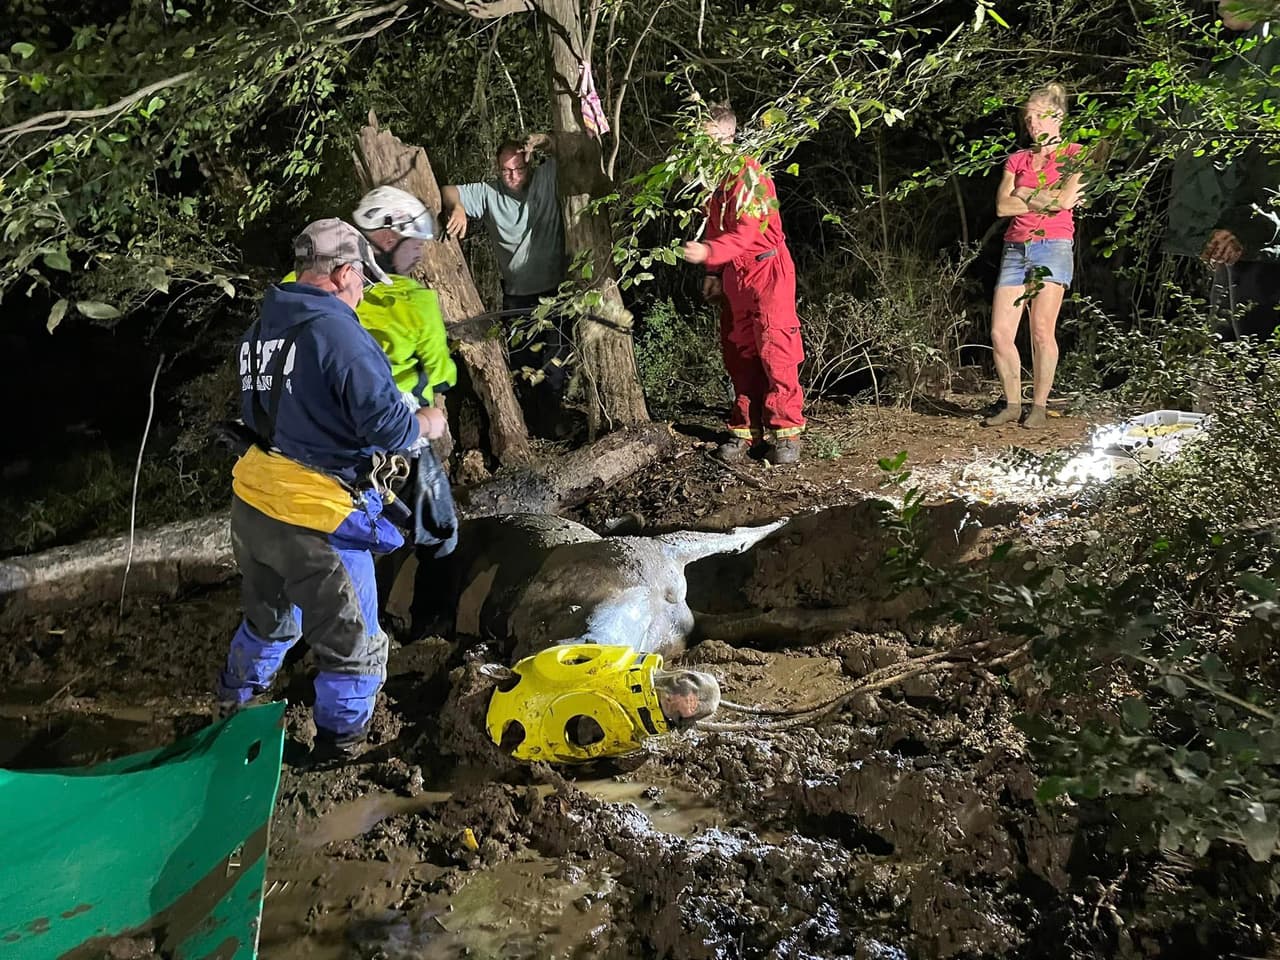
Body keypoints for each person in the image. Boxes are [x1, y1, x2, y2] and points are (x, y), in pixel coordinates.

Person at [216, 219, 448, 765]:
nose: (364, 290)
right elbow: (392, 430)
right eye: (362, 280)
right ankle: (337, 749)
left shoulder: (264, 330)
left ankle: (231, 710)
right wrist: (429, 421)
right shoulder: (339, 331)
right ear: (344, 272)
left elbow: (281, 411)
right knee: (355, 644)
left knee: (271, 621)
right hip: (316, 517)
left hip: (254, 502)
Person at [680, 103, 807, 464]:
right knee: (739, 352)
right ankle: (745, 430)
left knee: (775, 346)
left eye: (711, 140)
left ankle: (787, 432)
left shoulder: (749, 175)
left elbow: (747, 232)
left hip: (767, 271)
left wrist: (707, 252)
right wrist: (714, 273)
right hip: (735, 274)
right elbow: (719, 229)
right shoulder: (711, 181)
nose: (704, 149)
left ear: (728, 137)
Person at [1166, 1, 1280, 341]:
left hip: (1257, 236)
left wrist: (1243, 224)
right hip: (1238, 234)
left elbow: (1269, 150)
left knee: (1251, 342)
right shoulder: (1243, 56)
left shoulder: (1272, 53)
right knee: (1232, 338)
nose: (1219, 2)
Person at [442, 137, 570, 436]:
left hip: (554, 292)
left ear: (530, 164)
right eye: (505, 170)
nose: (513, 176)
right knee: (523, 363)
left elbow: (570, 148)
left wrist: (544, 141)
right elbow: (448, 191)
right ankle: (530, 424)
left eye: (519, 168)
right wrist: (458, 207)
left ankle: (552, 424)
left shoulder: (546, 178)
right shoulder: (489, 193)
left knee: (555, 364)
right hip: (516, 294)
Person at [984, 83, 1085, 429]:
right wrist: (1041, 195)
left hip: (1052, 245)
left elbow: (1066, 201)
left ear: (1056, 116)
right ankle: (1013, 403)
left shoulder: (1074, 154)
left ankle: (1039, 406)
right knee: (1000, 333)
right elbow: (1002, 206)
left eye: (1038, 117)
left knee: (1041, 330)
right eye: (1027, 118)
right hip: (1016, 247)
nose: (1031, 124)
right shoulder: (1018, 159)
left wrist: (1025, 191)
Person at [350, 185, 458, 408]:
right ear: (389, 239)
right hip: (401, 422)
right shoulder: (416, 301)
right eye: (416, 245)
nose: (419, 255)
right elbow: (442, 377)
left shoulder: (316, 284)